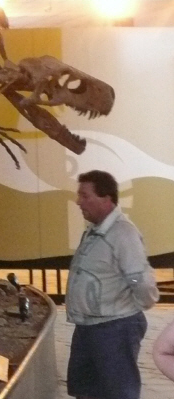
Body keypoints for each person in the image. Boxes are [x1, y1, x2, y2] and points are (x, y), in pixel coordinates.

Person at [65, 170, 159, 399]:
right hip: (89, 326)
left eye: (85, 196)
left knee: (118, 392)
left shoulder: (123, 233)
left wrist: (134, 307)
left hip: (114, 328)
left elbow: (139, 279)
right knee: (85, 390)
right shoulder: (95, 230)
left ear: (106, 199)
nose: (78, 202)